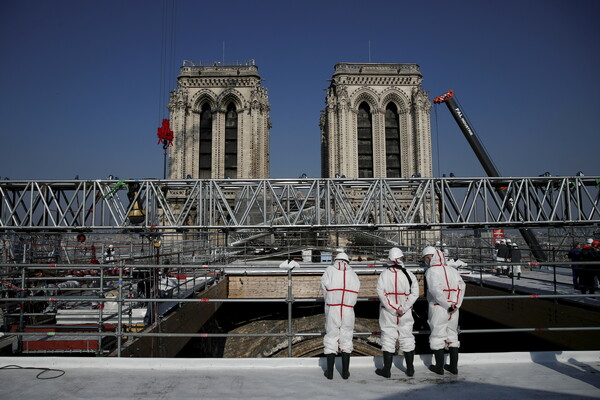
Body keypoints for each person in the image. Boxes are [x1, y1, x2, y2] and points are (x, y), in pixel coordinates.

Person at [375, 248, 419, 378]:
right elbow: (415, 293)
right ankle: (410, 369)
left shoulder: (384, 275)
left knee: (388, 338)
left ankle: (386, 370)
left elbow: (381, 294)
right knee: (407, 338)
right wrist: (403, 308)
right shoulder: (409, 275)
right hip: (405, 313)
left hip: (388, 313)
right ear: (401, 259)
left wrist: (392, 309)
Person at [423, 246, 466, 375]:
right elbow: (462, 287)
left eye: (425, 258)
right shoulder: (452, 271)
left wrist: (446, 305)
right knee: (452, 336)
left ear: (429, 257)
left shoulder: (431, 271)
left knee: (437, 336)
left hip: (438, 307)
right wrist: (456, 305)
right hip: (454, 308)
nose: (425, 261)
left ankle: (439, 367)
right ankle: (453, 367)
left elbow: (436, 291)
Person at [321, 252, 360, 380]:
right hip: (348, 309)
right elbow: (357, 289)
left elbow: (324, 286)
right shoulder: (353, 274)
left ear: (336, 259)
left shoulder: (330, 270)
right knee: (347, 337)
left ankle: (330, 373)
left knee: (331, 337)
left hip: (333, 307)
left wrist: (329, 300)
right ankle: (345, 372)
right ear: (347, 261)